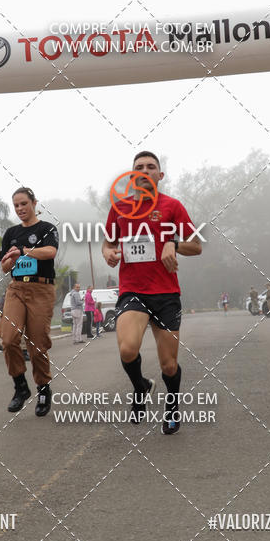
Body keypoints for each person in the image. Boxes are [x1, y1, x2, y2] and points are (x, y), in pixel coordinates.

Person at [102, 151, 202, 435]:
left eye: (151, 167)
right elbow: (108, 244)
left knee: (169, 365)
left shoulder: (172, 206)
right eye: (139, 168)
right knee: (127, 348)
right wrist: (109, 252)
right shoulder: (120, 208)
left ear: (160, 175)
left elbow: (196, 246)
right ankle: (140, 386)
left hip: (166, 294)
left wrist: (173, 242)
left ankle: (171, 406)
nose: (145, 171)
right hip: (133, 291)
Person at [0, 186, 58, 417]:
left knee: (37, 345)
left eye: (24, 203)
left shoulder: (46, 228)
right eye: (16, 205)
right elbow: (4, 266)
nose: (20, 209)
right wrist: (11, 258)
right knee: (8, 338)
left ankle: (43, 389)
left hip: (41, 289)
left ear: (34, 203)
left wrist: (23, 250)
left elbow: (50, 252)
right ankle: (20, 386)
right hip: (16, 288)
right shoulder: (10, 233)